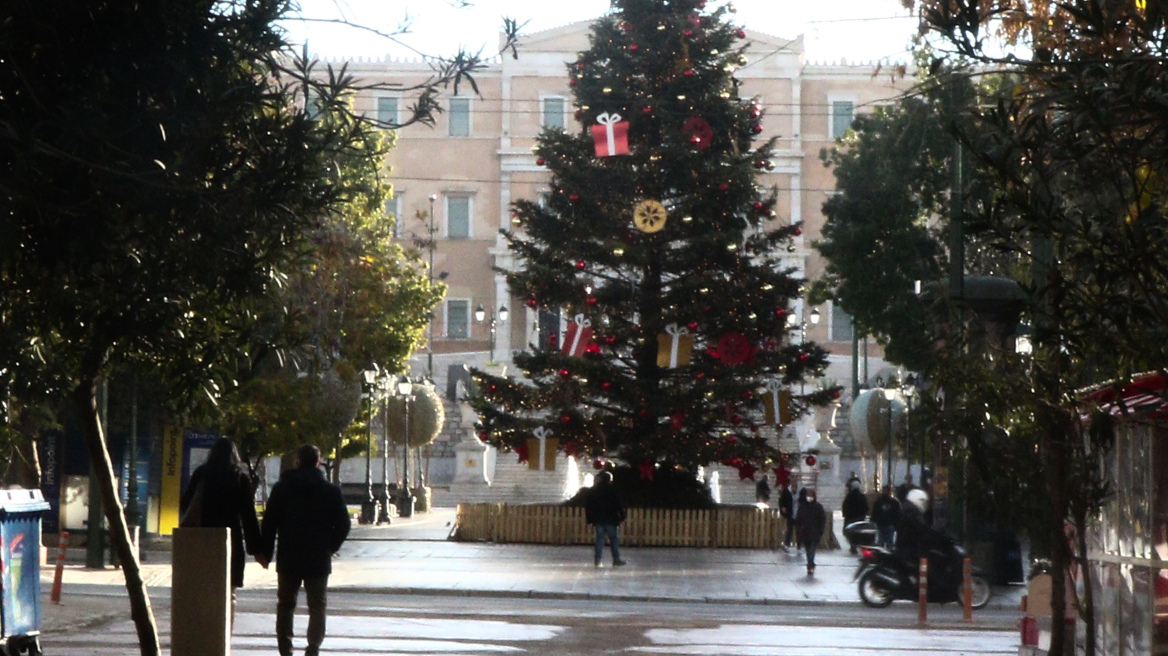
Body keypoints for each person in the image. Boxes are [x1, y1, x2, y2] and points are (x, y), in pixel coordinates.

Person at [258, 444, 351, 656]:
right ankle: (313, 647)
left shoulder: (282, 488)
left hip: (289, 555)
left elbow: (270, 523)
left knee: (285, 604)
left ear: (297, 461)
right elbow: (344, 524)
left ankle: (285, 648)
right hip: (318, 557)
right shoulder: (330, 491)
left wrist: (266, 551)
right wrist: (330, 546)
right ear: (318, 462)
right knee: (317, 605)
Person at [179, 437, 261, 624]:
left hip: (203, 540)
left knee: (204, 591)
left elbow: (186, 505)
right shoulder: (240, 479)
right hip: (230, 542)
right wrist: (257, 549)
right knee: (229, 593)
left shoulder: (201, 474)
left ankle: (205, 634)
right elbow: (248, 517)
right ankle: (224, 640)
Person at [585, 470, 627, 567]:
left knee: (600, 539)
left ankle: (598, 560)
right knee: (614, 539)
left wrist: (589, 520)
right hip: (611, 519)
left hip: (598, 519)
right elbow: (619, 504)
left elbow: (589, 506)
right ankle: (616, 559)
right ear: (610, 480)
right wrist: (622, 517)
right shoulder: (613, 490)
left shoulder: (594, 490)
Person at [795, 488, 826, 575]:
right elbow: (798, 519)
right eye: (808, 495)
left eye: (811, 495)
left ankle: (810, 565)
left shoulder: (818, 507)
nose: (809, 497)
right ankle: (811, 564)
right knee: (808, 551)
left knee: (812, 550)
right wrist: (799, 530)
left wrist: (821, 530)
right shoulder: (802, 507)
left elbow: (822, 519)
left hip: (815, 533)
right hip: (805, 533)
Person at [841, 481, 869, 553]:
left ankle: (853, 545)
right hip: (859, 517)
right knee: (859, 532)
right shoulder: (862, 496)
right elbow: (866, 507)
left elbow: (845, 506)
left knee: (851, 532)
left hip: (850, 517)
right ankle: (857, 544)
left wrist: (845, 514)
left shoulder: (849, 496)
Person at [870, 484, 901, 549]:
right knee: (881, 542)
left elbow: (898, 514)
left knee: (888, 542)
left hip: (889, 525)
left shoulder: (893, 502)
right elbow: (875, 512)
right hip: (881, 524)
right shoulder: (879, 501)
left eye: (885, 490)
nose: (884, 492)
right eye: (883, 490)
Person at [778, 483, 795, 548]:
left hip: (790, 513)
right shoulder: (786, 492)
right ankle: (787, 543)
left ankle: (787, 543)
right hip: (789, 513)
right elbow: (782, 501)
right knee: (789, 529)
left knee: (790, 529)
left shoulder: (788, 492)